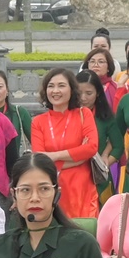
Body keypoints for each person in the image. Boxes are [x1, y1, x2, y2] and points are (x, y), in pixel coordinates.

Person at [30, 69, 103, 222]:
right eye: (51, 86)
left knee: (83, 229)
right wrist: (79, 157)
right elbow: (40, 159)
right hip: (52, 188)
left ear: (72, 89)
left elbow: (91, 148)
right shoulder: (38, 122)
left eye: (61, 85)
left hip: (82, 189)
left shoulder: (84, 114)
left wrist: (54, 156)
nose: (55, 91)